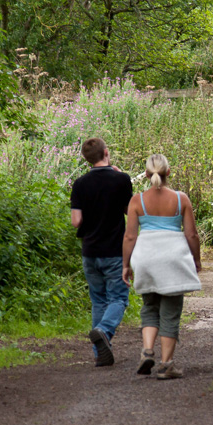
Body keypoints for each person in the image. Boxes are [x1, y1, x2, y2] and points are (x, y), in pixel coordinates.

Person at [123, 154, 202, 379]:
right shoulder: (181, 199)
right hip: (173, 261)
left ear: (147, 175)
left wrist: (126, 265)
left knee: (149, 307)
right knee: (170, 312)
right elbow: (191, 234)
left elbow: (129, 236)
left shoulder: (136, 200)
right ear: (169, 172)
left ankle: (147, 351)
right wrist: (196, 260)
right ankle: (166, 365)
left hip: (146, 259)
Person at [70, 138, 133, 367]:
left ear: (87, 159)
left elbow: (76, 221)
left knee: (98, 300)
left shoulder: (80, 183)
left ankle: (100, 355)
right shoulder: (121, 179)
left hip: (89, 250)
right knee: (119, 298)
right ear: (106, 152)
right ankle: (104, 331)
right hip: (114, 250)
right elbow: (129, 210)